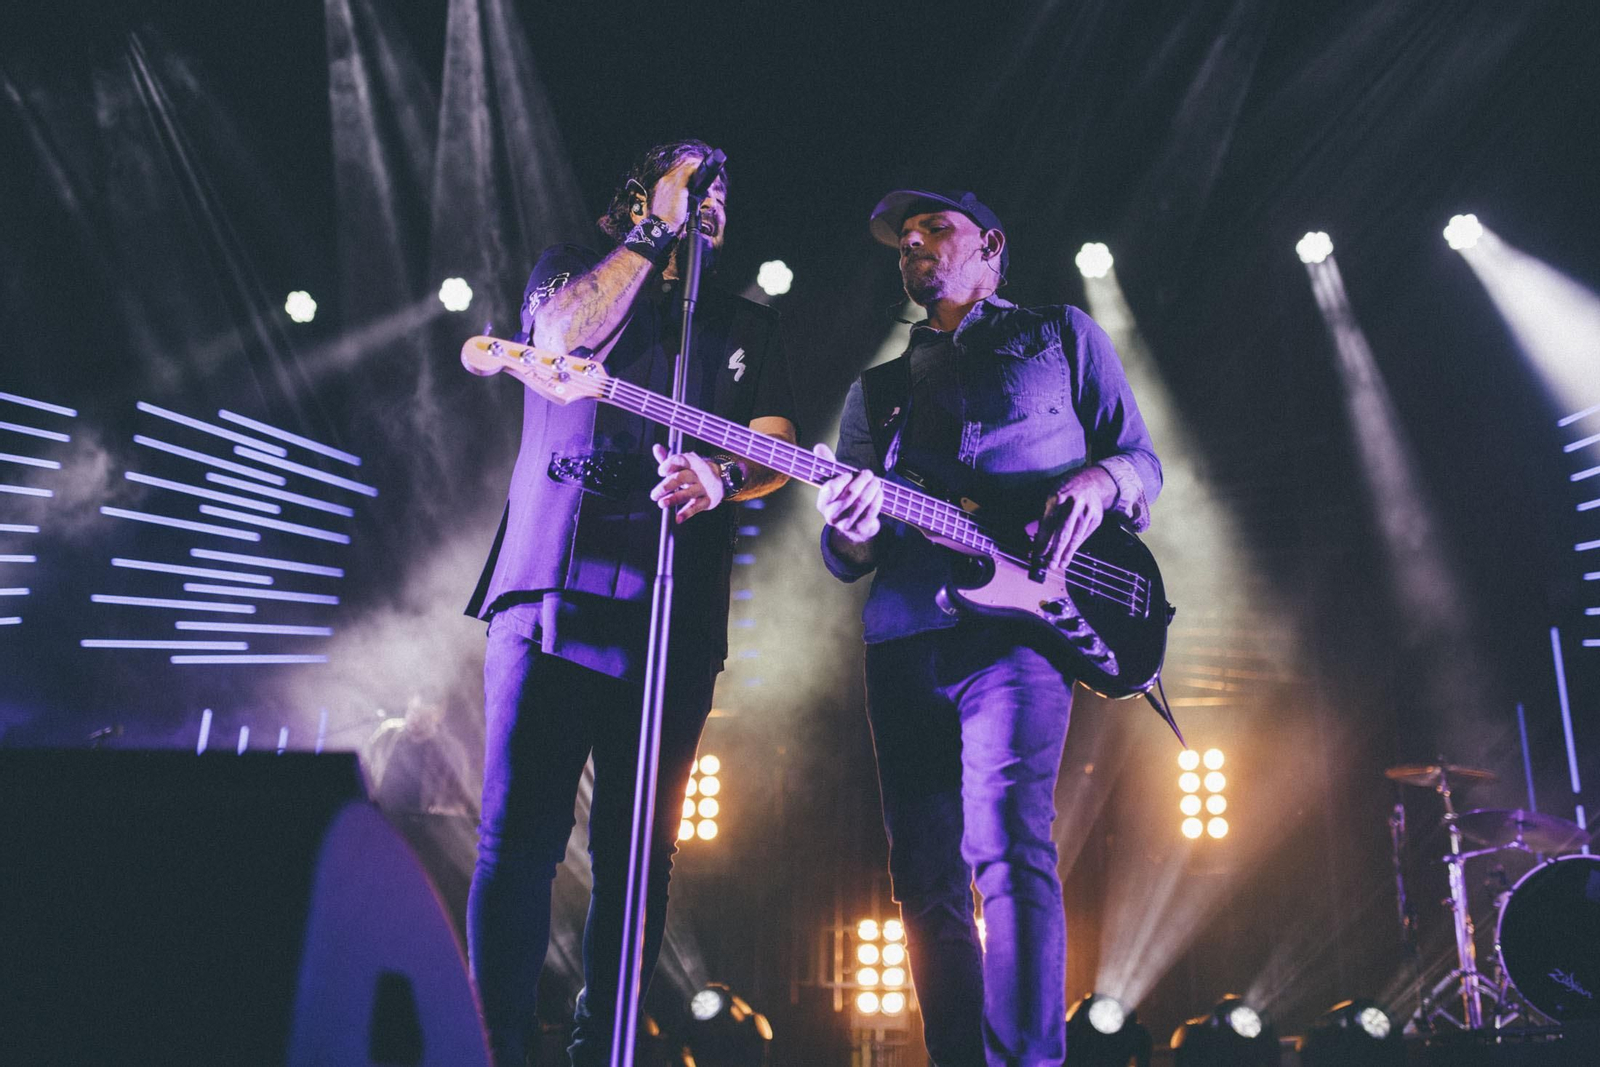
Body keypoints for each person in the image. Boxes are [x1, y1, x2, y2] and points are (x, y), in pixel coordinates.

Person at [465, 139, 797, 1067]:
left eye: (719, 194)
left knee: (639, 849)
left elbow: (777, 438)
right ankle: (491, 1046)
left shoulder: (739, 321)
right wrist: (657, 224)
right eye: (697, 186)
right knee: (521, 834)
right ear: (641, 194)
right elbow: (562, 336)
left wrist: (723, 472)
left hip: (670, 605)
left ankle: (599, 1050)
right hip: (549, 583)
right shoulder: (573, 272)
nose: (712, 205)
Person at [814, 189, 1161, 1066]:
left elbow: (1141, 459)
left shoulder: (1061, 335)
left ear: (991, 248)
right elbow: (847, 550)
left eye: (936, 229)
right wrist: (850, 524)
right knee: (925, 877)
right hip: (901, 637)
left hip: (1018, 631)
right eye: (904, 238)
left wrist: (1099, 484)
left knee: (1007, 842)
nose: (914, 245)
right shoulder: (878, 389)